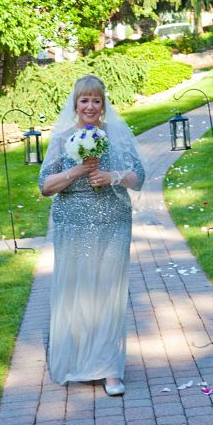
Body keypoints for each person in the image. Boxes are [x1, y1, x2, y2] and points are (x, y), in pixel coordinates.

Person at [39, 75, 145, 395]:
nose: (90, 106)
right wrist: (79, 170)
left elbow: (138, 177)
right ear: (75, 104)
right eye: (84, 100)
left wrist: (111, 176)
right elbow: (45, 187)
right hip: (73, 223)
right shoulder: (61, 139)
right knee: (77, 292)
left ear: (103, 105)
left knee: (108, 293)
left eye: (96, 100)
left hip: (113, 222)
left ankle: (110, 369)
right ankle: (78, 361)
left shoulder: (117, 136)